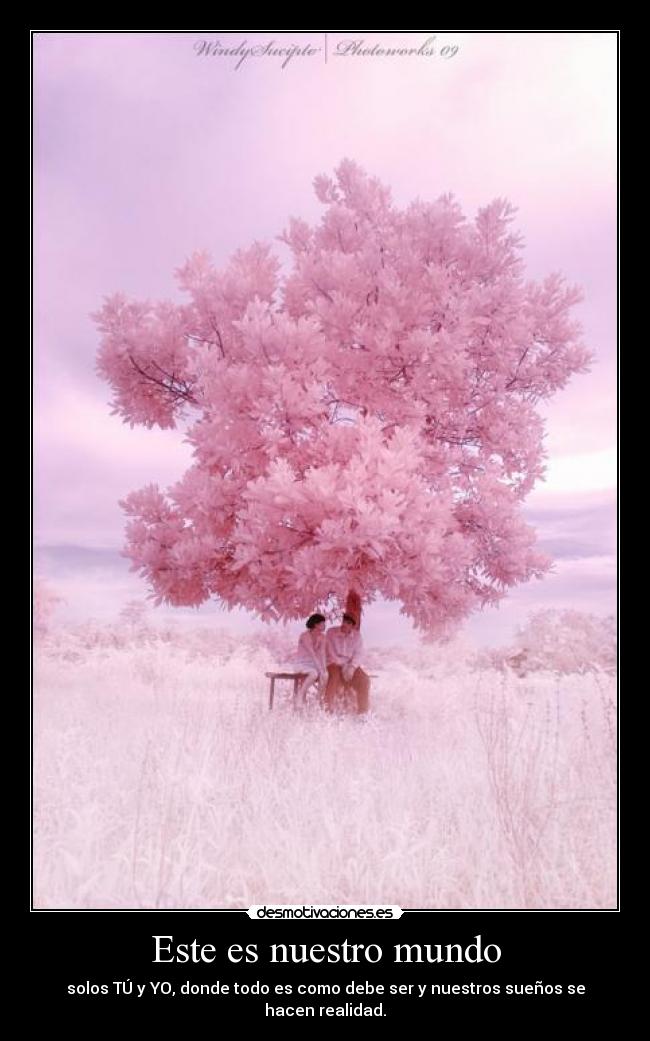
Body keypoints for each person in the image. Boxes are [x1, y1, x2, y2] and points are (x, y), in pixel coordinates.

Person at [324, 612, 371, 714]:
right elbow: (329, 651)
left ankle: (363, 713)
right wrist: (342, 665)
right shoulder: (331, 632)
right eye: (344, 621)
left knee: (365, 680)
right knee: (334, 677)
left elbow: (359, 654)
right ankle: (327, 709)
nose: (345, 624)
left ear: (353, 626)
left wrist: (352, 667)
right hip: (333, 662)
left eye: (348, 623)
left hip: (349, 664)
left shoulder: (357, 636)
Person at [294, 613, 328, 704]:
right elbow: (312, 654)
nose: (325, 625)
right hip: (301, 663)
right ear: (316, 624)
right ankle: (300, 695)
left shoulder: (322, 637)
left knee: (325, 674)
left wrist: (324, 669)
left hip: (314, 664)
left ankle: (318, 699)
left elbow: (322, 654)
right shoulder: (305, 636)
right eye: (322, 623)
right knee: (314, 674)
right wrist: (320, 669)